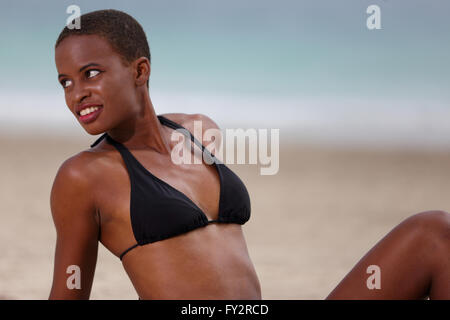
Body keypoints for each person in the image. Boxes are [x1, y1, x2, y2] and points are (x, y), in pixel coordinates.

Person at [49, 9, 261, 299]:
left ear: (140, 71)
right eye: (66, 82)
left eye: (91, 73)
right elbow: (69, 291)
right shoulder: (83, 176)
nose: (76, 94)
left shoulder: (198, 131)